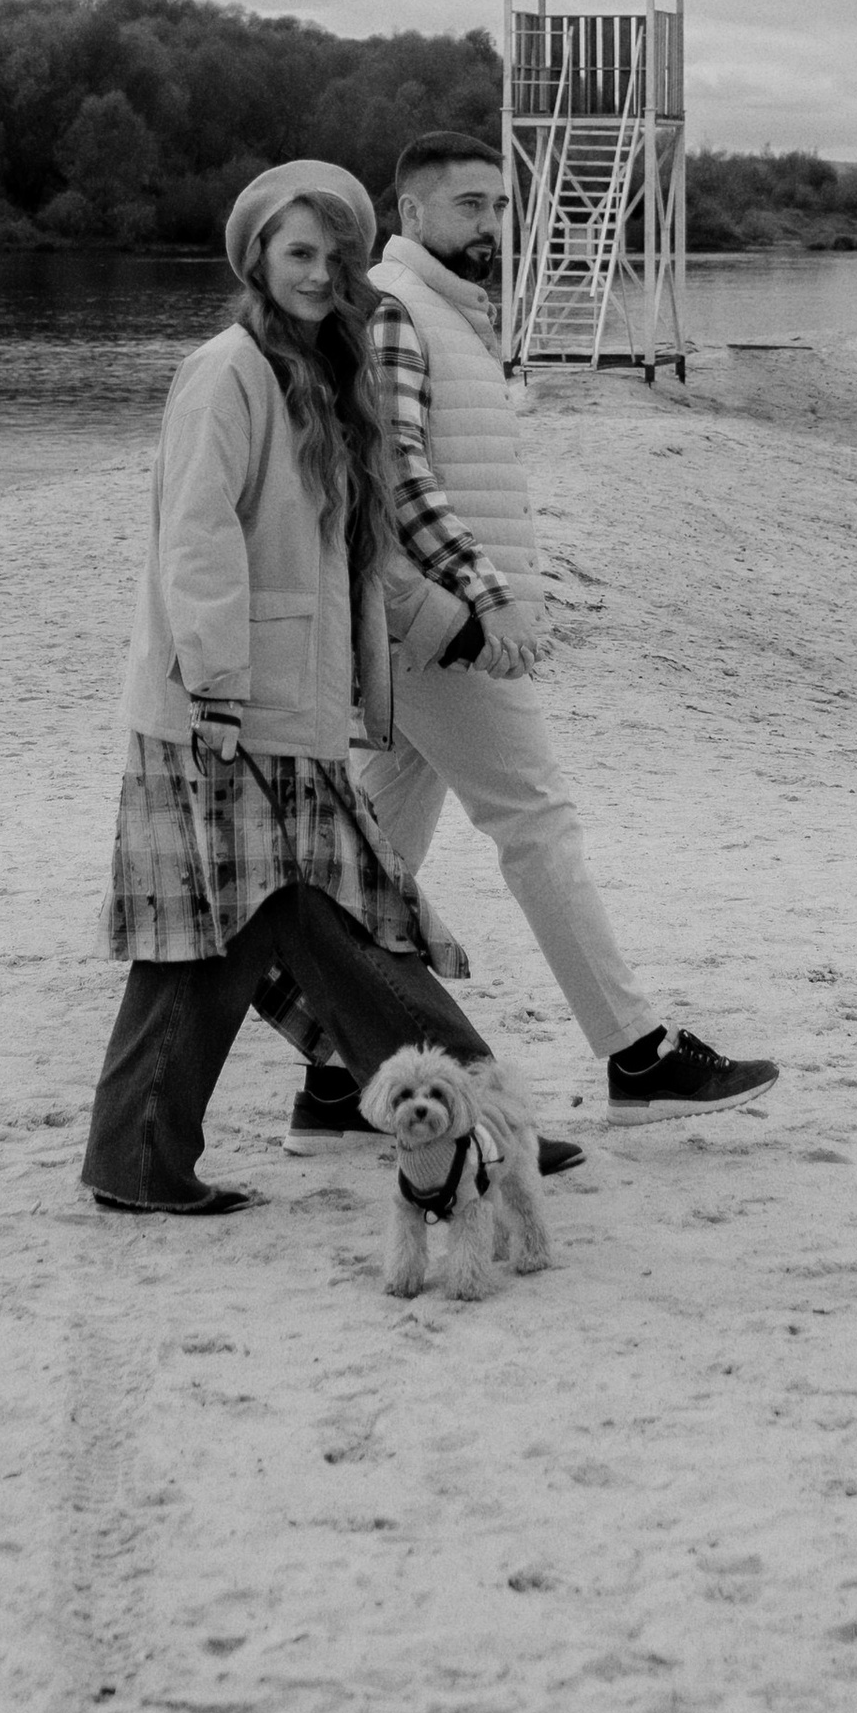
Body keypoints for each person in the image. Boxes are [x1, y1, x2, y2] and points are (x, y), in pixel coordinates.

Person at [79, 158, 579, 1216]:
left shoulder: (314, 366)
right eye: (297, 253)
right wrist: (215, 685)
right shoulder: (228, 371)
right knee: (238, 936)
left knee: (306, 924)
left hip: (282, 706)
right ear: (256, 256)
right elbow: (198, 537)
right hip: (221, 710)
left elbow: (347, 546)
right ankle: (476, 1107)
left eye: (335, 256)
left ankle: (468, 1108)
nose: (318, 272)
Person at [282, 129, 781, 1149]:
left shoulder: (448, 314)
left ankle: (336, 1076)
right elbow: (397, 473)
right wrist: (481, 594)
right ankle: (636, 1052)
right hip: (435, 625)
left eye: (499, 206)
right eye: (468, 206)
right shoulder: (394, 312)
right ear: (409, 213)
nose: (491, 225)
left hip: (424, 622)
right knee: (535, 821)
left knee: (376, 857)